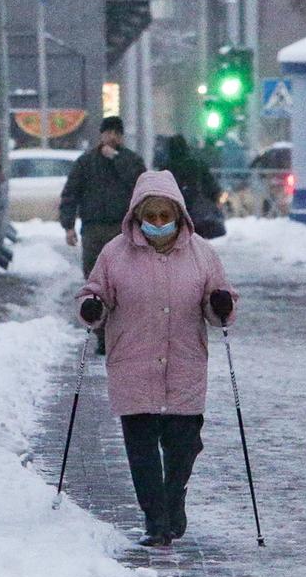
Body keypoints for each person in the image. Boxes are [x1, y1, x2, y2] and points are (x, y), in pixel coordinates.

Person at [77, 171, 238, 548]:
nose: (158, 224)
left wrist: (221, 305)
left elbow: (222, 306)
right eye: (151, 216)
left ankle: (174, 497)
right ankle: (156, 520)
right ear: (137, 216)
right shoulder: (115, 253)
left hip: (185, 365)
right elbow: (93, 295)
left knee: (183, 445)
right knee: (142, 450)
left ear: (179, 215)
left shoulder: (202, 254)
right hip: (133, 365)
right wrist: (91, 308)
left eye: (166, 216)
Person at [58, 116, 146, 276]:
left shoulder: (132, 161)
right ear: (101, 135)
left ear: (122, 137)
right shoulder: (86, 162)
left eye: (116, 133)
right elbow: (70, 194)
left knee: (123, 276)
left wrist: (117, 159)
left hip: (122, 228)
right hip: (93, 229)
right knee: (94, 276)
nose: (112, 137)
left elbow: (140, 186)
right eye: (108, 133)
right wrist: (68, 226)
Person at [155, 135, 228, 239]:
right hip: (197, 215)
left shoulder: (165, 168)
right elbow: (212, 187)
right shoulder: (197, 164)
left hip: (173, 215)